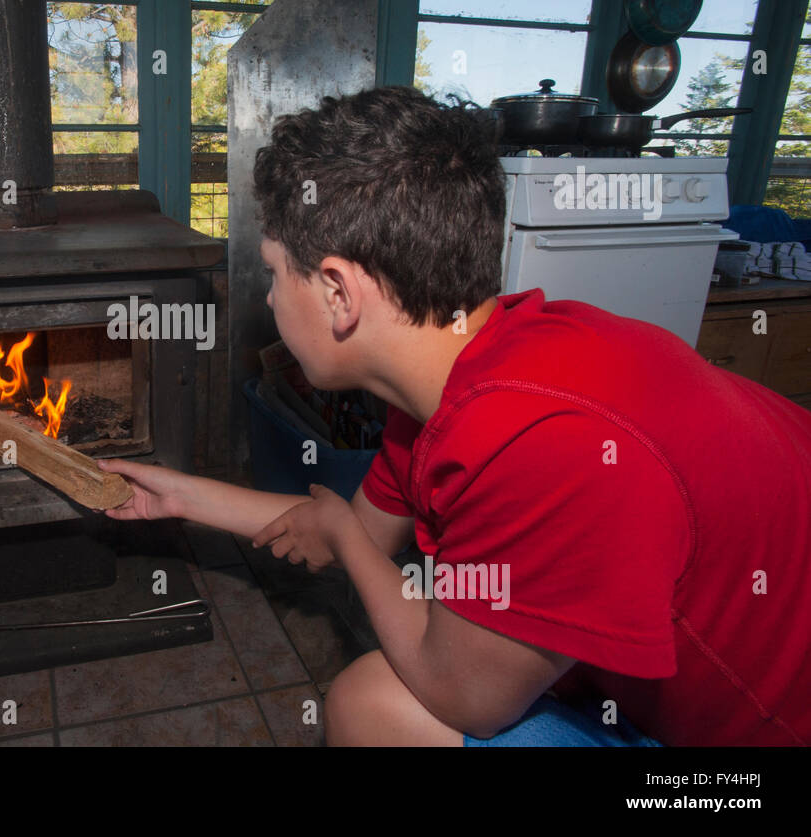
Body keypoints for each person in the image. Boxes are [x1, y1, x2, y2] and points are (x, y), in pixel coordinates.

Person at [99, 86, 811, 747]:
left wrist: (349, 539)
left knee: (367, 706)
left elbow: (464, 695)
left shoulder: (538, 442)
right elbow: (339, 530)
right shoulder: (468, 370)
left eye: (273, 271)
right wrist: (175, 493)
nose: (271, 300)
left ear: (339, 292)